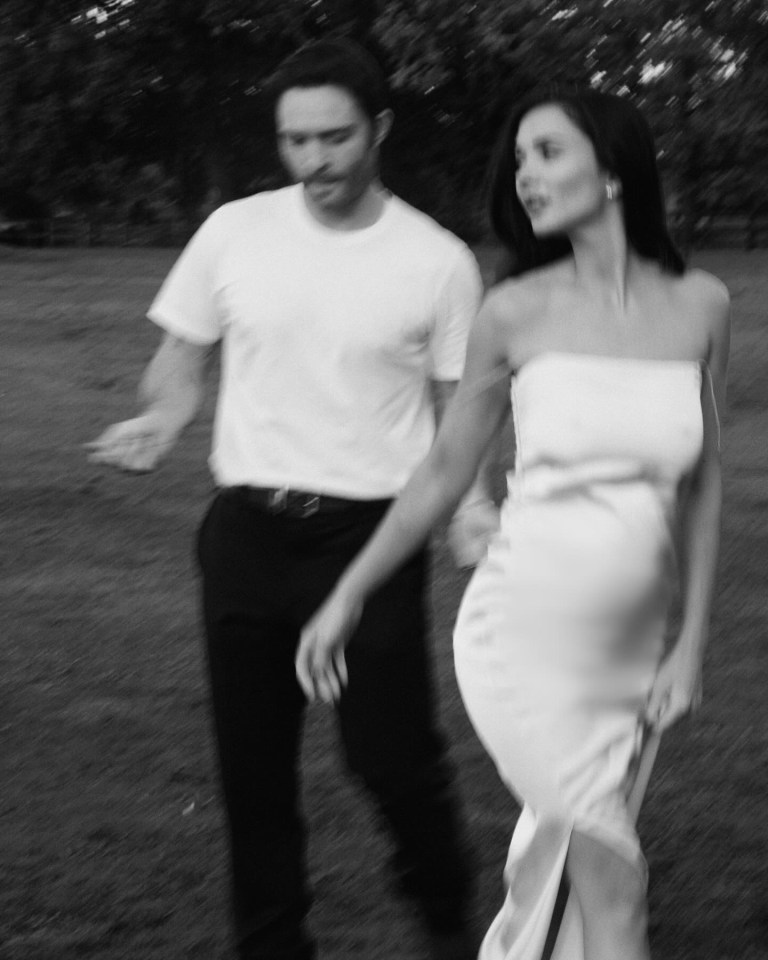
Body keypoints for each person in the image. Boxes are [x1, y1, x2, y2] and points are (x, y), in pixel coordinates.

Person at [296, 86, 730, 960]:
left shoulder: (703, 306)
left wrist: (690, 644)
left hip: (631, 645)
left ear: (612, 171)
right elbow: (443, 473)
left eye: (548, 152)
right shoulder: (514, 312)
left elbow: (704, 480)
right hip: (519, 630)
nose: (525, 174)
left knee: (567, 867)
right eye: (519, 158)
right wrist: (349, 591)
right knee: (617, 880)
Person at [86, 37, 495, 960]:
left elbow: (457, 412)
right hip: (244, 536)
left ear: (380, 128)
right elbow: (184, 356)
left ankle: (446, 921)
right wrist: (162, 419)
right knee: (253, 774)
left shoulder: (436, 261)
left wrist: (472, 511)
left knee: (391, 761)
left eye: (336, 138)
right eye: (296, 139)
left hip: (370, 539)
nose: (314, 160)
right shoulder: (234, 230)